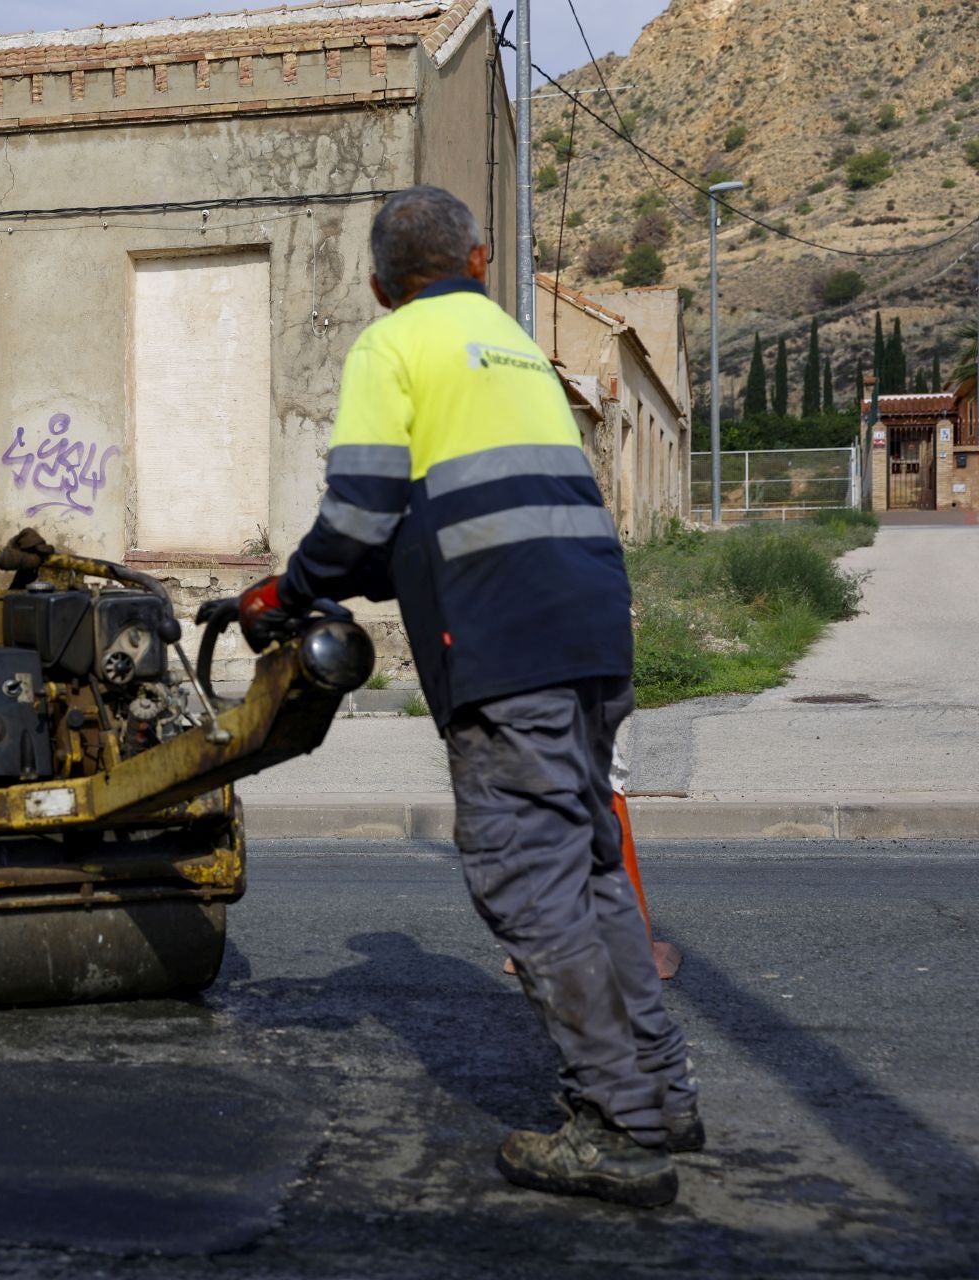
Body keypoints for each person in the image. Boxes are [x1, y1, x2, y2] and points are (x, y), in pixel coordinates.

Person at [236, 185, 700, 1209]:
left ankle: (618, 1124)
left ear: (375, 286)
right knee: (590, 867)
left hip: (509, 649)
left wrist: (293, 586)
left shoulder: (391, 348)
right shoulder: (513, 343)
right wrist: (346, 570)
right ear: (480, 260)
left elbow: (360, 511)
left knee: (527, 883)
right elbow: (447, 520)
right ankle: (662, 1092)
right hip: (591, 625)